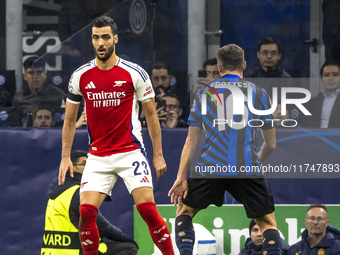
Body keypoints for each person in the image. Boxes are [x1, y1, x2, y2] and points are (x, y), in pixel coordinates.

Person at [58, 16, 174, 255]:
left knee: (148, 211)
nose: (100, 43)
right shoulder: (80, 76)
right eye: (96, 38)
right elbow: (69, 120)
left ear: (115, 39)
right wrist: (65, 157)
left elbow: (151, 116)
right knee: (86, 213)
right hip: (98, 157)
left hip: (129, 151)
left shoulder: (135, 73)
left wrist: (158, 155)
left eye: (105, 37)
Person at [168, 44, 282, 255]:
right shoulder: (259, 93)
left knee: (184, 212)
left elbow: (191, 141)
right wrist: (255, 160)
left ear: (219, 68)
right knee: (267, 224)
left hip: (210, 167)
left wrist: (181, 177)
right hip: (247, 168)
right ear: (244, 65)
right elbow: (271, 144)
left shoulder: (203, 94)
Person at [41, 150, 138, 255]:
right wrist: (126, 239)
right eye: (84, 164)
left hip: (51, 252)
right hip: (77, 251)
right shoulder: (78, 193)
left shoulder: (56, 194)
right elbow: (101, 225)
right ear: (71, 167)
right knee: (129, 247)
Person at [12, 56, 66, 127]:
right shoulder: (18, 98)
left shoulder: (59, 95)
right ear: (24, 76)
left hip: (53, 136)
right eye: (31, 73)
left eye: (39, 72)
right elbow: (14, 125)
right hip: (25, 136)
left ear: (45, 75)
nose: (35, 77)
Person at [301, 61, 340, 128]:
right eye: (326, 75)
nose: (331, 78)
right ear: (321, 78)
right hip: (316, 137)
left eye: (335, 75)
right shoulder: (313, 102)